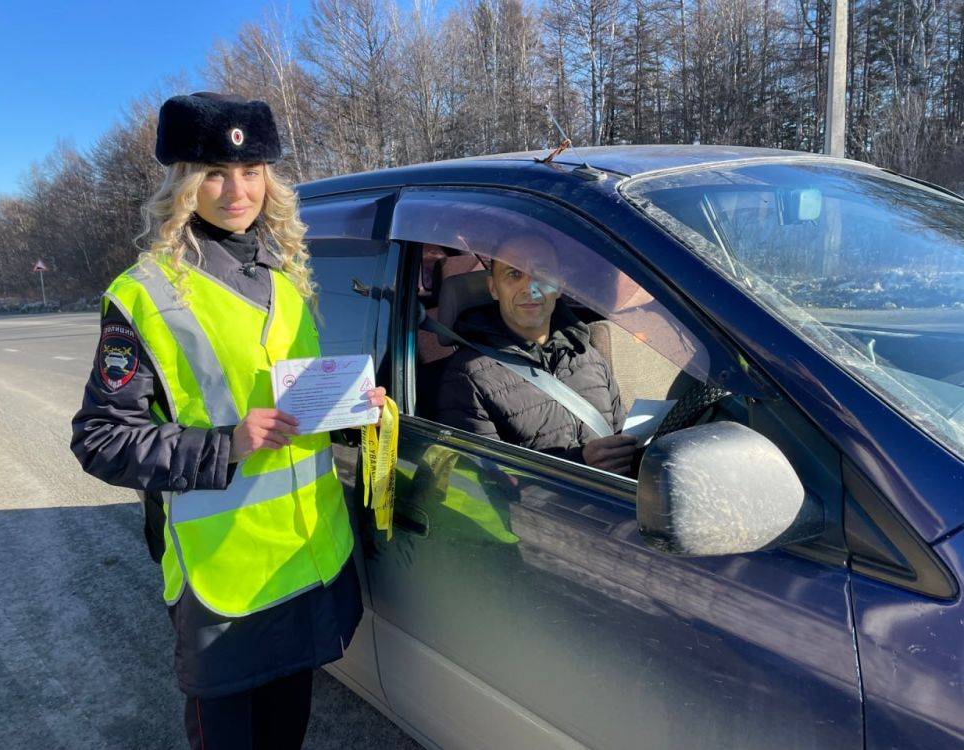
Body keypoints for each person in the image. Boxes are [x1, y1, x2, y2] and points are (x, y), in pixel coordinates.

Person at [71, 92, 386, 749]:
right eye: (213, 172)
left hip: (307, 559)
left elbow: (296, 406)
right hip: (220, 584)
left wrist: (352, 410)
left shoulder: (288, 275)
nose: (235, 189)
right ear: (184, 183)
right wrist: (228, 443)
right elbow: (99, 440)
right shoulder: (145, 295)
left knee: (286, 737)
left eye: (250, 171)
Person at [436, 246, 637, 477]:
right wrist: (579, 464)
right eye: (513, 274)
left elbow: (621, 435)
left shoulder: (587, 355)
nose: (530, 288)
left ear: (560, 286)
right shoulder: (467, 377)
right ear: (494, 288)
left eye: (541, 274)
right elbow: (485, 484)